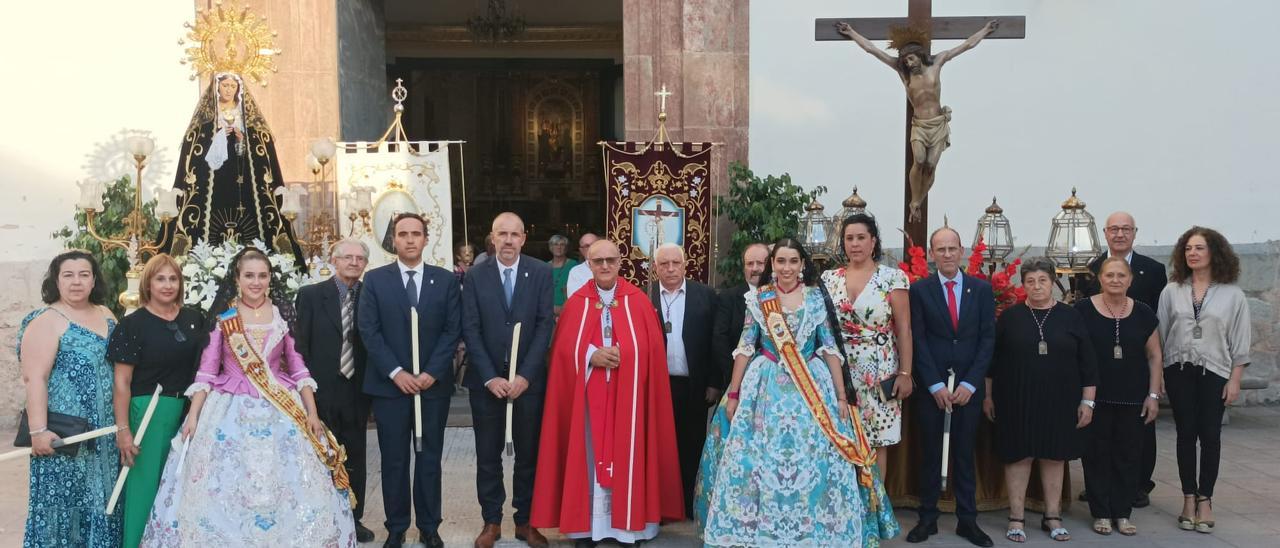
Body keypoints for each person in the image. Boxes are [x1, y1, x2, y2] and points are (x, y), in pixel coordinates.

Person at [143, 248, 356, 546]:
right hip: (228, 406)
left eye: (262, 275)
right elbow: (206, 372)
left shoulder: (282, 314)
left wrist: (311, 412)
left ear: (270, 278)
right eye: (249, 276)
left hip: (280, 405)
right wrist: (193, 416)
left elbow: (298, 369)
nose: (256, 282)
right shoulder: (225, 318)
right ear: (237, 278)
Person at [696, 238, 897, 547]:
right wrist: (734, 395)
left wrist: (842, 397)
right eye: (780, 261)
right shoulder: (760, 299)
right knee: (758, 461)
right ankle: (757, 529)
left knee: (816, 461)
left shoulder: (816, 298)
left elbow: (829, 348)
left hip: (812, 390)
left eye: (792, 261)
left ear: (803, 265)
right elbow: (746, 348)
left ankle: (815, 529)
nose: (786, 268)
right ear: (772, 265)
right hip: (765, 387)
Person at [531, 239, 683, 547]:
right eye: (597, 260)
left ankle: (630, 528)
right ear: (588, 263)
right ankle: (585, 527)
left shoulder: (638, 300)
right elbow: (561, 351)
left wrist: (624, 353)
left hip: (630, 403)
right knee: (586, 456)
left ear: (620, 262)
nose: (604, 266)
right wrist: (590, 356)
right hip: (587, 404)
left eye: (610, 260)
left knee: (630, 453)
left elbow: (652, 350)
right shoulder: (577, 303)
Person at [358, 212, 461, 548]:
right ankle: (397, 526)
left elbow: (452, 330)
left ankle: (429, 526)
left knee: (429, 457)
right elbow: (369, 331)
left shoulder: (444, 280)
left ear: (426, 239)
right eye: (403, 234)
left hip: (432, 387)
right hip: (390, 388)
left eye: (416, 233)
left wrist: (431, 372)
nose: (410, 239)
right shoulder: (375, 280)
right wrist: (396, 372)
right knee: (395, 459)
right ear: (394, 240)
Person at [834, 19, 999, 221]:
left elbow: (966, 45)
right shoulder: (904, 74)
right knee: (919, 160)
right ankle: (915, 200)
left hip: (938, 124)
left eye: (911, 59)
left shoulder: (937, 63)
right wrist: (851, 32)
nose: (908, 63)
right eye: (905, 61)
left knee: (930, 164)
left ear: (920, 56)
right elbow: (873, 50)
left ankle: (916, 202)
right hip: (920, 125)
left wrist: (985, 30)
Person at [983, 258, 1098, 543]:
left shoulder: (1071, 316)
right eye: (1030, 282)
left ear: (1052, 283)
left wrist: (1088, 401)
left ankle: (1052, 516)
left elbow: (1088, 363)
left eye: (1042, 281)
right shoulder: (1010, 317)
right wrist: (987, 395)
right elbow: (992, 362)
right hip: (1016, 398)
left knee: (1054, 456)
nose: (1036, 287)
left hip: (1060, 399)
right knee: (1018, 456)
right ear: (1023, 285)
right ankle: (1016, 517)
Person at [462, 213, 555, 548]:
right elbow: (469, 327)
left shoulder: (540, 272)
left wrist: (526, 376)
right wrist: (489, 377)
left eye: (514, 234)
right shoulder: (475, 276)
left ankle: (525, 521)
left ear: (524, 238)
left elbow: (545, 324)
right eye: (502, 234)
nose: (508, 240)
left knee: (528, 453)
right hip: (487, 382)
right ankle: (491, 522)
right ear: (492, 237)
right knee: (488, 454)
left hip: (526, 382)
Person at [17, 250, 121, 547]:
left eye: (84, 274)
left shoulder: (107, 314)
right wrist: (38, 432)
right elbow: (34, 378)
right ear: (56, 281)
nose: (77, 282)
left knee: (104, 502)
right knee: (65, 506)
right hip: (64, 435)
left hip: (104, 435)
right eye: (68, 275)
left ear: (94, 280)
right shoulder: (46, 320)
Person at [107, 254, 207, 548]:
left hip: (190, 411)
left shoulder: (194, 318)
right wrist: (123, 430)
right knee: (146, 489)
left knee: (182, 487)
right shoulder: (133, 324)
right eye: (160, 278)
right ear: (147, 284)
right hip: (150, 410)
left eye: (173, 278)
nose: (167, 285)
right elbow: (121, 382)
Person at [906, 227, 995, 547]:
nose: (946, 254)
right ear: (931, 254)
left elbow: (987, 339)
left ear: (961, 251)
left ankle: (967, 521)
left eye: (952, 248)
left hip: (967, 389)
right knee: (930, 453)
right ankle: (927, 518)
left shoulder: (981, 290)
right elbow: (918, 338)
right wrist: (933, 384)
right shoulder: (920, 291)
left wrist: (971, 383)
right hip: (934, 391)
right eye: (940, 249)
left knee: (963, 453)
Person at [1158, 226, 1250, 535]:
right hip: (1178, 368)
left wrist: (1235, 380)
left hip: (1215, 371)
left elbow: (1240, 341)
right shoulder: (1172, 290)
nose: (1193, 253)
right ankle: (1187, 498)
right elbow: (1159, 335)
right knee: (1185, 434)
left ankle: (1205, 500)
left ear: (1215, 253)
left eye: (1199, 248)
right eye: (1188, 249)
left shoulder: (1232, 294)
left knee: (1210, 436)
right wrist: (1157, 376)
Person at [156, 72, 303, 262]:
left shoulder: (248, 120)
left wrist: (242, 141)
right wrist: (218, 137)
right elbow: (196, 156)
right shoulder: (206, 120)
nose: (228, 89)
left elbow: (255, 158)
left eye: (233, 86)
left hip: (243, 187)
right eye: (225, 85)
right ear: (217, 87)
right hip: (212, 187)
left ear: (239, 89)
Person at [1081, 211, 1167, 508]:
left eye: (1126, 229)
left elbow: (1158, 322)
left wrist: (1158, 377)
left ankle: (1139, 484)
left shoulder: (1153, 270)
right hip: (1101, 367)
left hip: (1137, 365)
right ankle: (1100, 487)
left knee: (1139, 429)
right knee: (1100, 432)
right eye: (1114, 229)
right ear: (1105, 233)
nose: (1120, 234)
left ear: (1135, 232)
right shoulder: (1090, 268)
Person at [295, 238, 375, 542]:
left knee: (355, 454)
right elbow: (300, 346)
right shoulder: (311, 296)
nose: (354, 262)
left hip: (358, 387)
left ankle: (354, 518)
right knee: (322, 454)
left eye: (360, 258)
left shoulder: (371, 295)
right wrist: (305, 392)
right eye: (347, 257)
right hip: (321, 389)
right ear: (334, 260)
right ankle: (324, 515)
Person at [821, 214, 914, 471]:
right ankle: (846, 505)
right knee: (841, 436)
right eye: (849, 238)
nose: (855, 244)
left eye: (861, 237)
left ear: (873, 241)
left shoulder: (892, 278)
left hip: (879, 367)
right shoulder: (829, 279)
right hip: (838, 369)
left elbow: (904, 329)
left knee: (875, 441)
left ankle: (875, 507)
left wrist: (905, 373)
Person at [648, 243, 720, 518]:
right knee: (662, 447)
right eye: (663, 264)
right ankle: (664, 506)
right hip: (657, 385)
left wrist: (714, 382)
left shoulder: (705, 295)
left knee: (692, 446)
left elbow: (715, 342)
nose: (670, 269)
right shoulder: (646, 296)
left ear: (685, 264)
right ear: (655, 269)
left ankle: (690, 504)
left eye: (675, 263)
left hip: (695, 384)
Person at [711, 242, 769, 394]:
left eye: (760, 263)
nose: (755, 268)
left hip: (772, 381)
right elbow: (720, 339)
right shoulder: (728, 297)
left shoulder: (781, 297)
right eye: (750, 264)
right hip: (737, 380)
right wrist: (737, 373)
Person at [548, 234, 578, 315]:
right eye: (555, 244)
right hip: (548, 311)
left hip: (569, 310)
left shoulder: (574, 265)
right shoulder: (545, 267)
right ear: (551, 247)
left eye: (562, 244)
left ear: (566, 248)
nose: (559, 247)